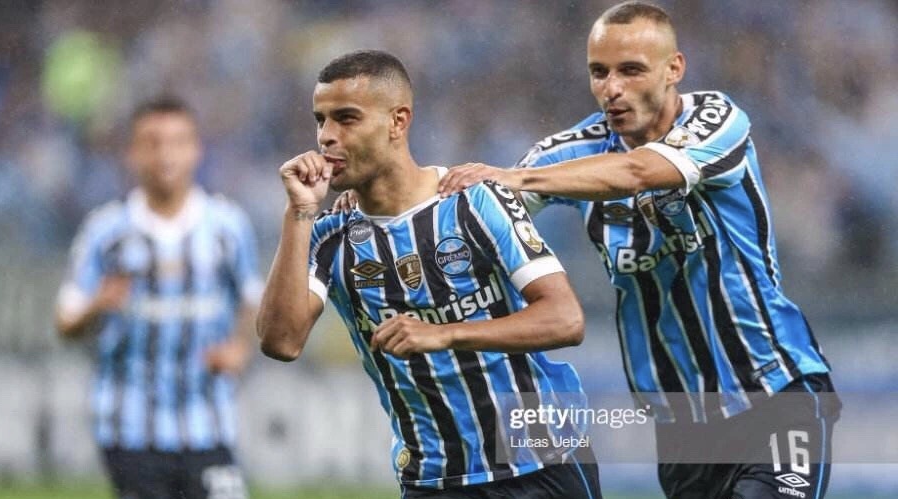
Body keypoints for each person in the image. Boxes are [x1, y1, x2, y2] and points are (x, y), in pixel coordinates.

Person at [431, 2, 840, 498]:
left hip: (775, 391)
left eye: (630, 70)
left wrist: (514, 178)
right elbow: (472, 207)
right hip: (682, 429)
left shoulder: (718, 119)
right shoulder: (573, 153)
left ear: (674, 69)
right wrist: (379, 197)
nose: (612, 88)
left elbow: (639, 171)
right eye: (599, 72)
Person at [257, 50, 602, 498]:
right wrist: (299, 212)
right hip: (434, 478)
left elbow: (566, 319)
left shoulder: (475, 202)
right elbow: (281, 342)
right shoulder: (328, 235)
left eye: (346, 118)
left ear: (397, 121)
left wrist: (444, 334)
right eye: (320, 120)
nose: (326, 136)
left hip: (542, 462)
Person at [55, 96, 260, 499]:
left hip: (208, 421)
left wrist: (240, 347)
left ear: (197, 150)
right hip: (131, 427)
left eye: (177, 142)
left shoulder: (227, 227)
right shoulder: (106, 231)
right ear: (132, 153)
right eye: (152, 143)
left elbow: (252, 299)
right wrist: (97, 306)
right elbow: (66, 320)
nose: (165, 154)